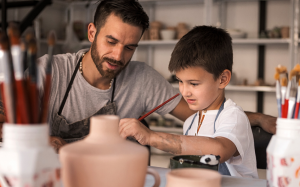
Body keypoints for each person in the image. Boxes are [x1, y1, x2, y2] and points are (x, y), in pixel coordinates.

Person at [0, 0, 275, 152]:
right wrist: (38, 140)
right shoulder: (49, 71)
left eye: (130, 47)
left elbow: (203, 111)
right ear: (92, 33)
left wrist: (257, 118)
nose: (119, 56)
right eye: (111, 41)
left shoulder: (142, 79)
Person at [119, 26, 259, 178]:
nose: (184, 91)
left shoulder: (233, 116)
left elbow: (220, 150)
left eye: (194, 83)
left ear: (222, 79)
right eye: (180, 81)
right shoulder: (191, 122)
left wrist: (151, 137)